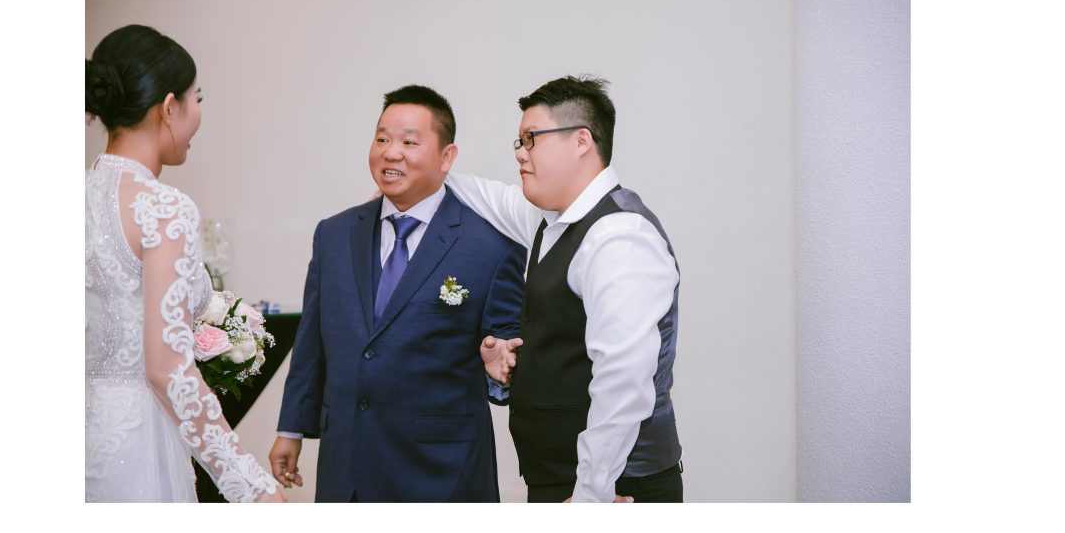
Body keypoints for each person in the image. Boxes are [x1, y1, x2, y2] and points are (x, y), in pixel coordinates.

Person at [269, 86, 523, 501]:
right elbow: (313, 339)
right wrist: (291, 428)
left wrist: (505, 363)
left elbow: (507, 342)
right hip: (347, 465)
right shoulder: (334, 234)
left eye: (408, 142)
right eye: (382, 138)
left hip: (442, 473)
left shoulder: (491, 245)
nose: (390, 153)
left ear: (447, 157)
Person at [439, 77, 684, 502]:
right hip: (559, 478)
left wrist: (591, 494)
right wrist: (420, 169)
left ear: (581, 141)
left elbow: (623, 380)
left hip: (615, 488)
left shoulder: (619, 236)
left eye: (531, 138)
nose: (520, 153)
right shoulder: (548, 221)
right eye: (519, 142)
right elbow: (487, 197)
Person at [84, 26, 283, 503]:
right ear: (169, 107)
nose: (199, 114)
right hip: (138, 444)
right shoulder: (163, 208)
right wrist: (249, 484)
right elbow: (167, 369)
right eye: (198, 99)